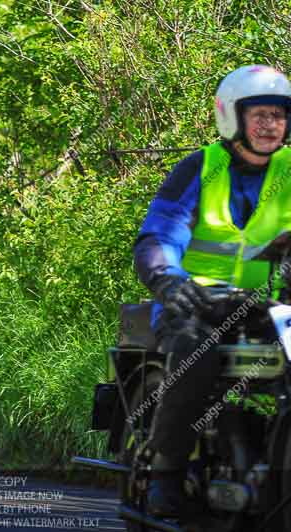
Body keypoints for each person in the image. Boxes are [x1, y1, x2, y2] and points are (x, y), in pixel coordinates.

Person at [133, 65, 291, 516]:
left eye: (279, 115)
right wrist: (167, 278)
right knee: (195, 354)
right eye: (258, 114)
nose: (269, 124)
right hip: (198, 301)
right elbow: (160, 235)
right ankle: (167, 471)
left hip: (272, 306)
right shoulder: (201, 168)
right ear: (232, 117)